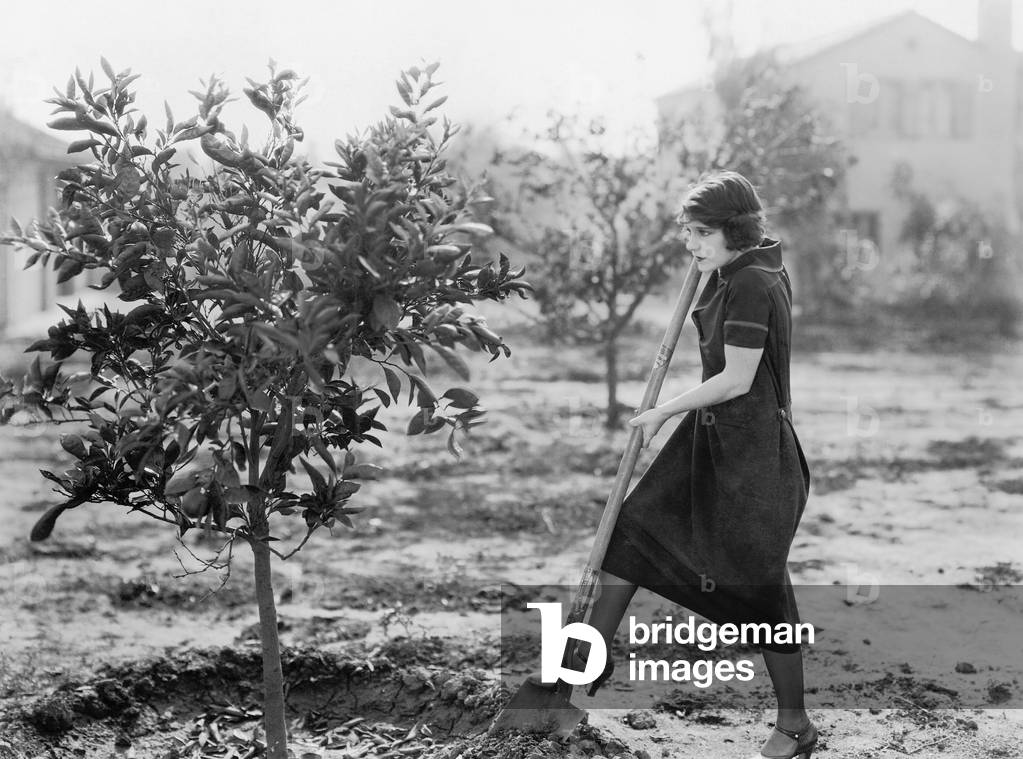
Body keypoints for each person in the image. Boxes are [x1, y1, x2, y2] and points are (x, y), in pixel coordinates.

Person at [576, 170, 817, 759]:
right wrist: (713, 263)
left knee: (762, 593)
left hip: (755, 455)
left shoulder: (755, 281)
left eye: (701, 231)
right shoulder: (734, 269)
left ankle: (796, 725)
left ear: (735, 229)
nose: (690, 243)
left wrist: (660, 410)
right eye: (687, 231)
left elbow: (736, 380)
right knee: (629, 538)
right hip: (711, 442)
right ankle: (573, 684)